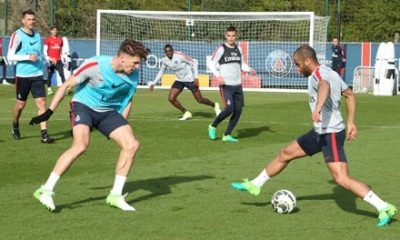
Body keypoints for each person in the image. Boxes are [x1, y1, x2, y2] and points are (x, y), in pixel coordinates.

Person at [231, 45, 397, 227]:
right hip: (320, 131)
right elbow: (349, 94)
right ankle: (255, 184)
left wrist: (318, 107)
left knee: (341, 178)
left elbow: (324, 86)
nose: (297, 68)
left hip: (331, 134)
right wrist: (351, 122)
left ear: (308, 61)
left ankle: (384, 207)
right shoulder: (331, 72)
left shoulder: (319, 75)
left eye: (298, 64)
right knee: (285, 153)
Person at [30, 39, 149, 212]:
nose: (138, 67)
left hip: (108, 112)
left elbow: (127, 99)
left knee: (131, 145)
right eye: (136, 62)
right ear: (123, 58)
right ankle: (46, 190)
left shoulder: (133, 75)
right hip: (83, 106)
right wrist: (49, 112)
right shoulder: (95, 65)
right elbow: (67, 85)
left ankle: (115, 195)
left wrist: (123, 123)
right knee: (80, 145)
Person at [7, 9, 54, 143]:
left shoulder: (38, 35)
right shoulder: (17, 35)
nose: (31, 21)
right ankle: (15, 124)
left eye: (33, 19)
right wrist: (27, 57)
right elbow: (10, 55)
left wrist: (49, 58)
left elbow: (39, 54)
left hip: (38, 74)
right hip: (23, 76)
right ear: (23, 20)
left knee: (41, 103)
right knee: (21, 105)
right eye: (29, 19)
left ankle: (44, 135)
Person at [207, 26, 256, 142]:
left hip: (238, 85)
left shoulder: (239, 49)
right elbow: (211, 64)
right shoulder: (221, 49)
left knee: (238, 111)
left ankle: (227, 134)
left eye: (233, 36)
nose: (231, 38)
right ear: (226, 36)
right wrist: (218, 76)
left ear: (236, 36)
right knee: (229, 108)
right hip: (226, 86)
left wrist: (249, 69)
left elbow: (242, 64)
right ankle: (213, 125)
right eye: (229, 36)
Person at [149, 44, 221, 120]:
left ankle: (215, 105)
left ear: (173, 51)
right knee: (171, 98)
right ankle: (186, 112)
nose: (168, 53)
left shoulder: (180, 56)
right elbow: (161, 71)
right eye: (166, 52)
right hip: (179, 80)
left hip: (190, 80)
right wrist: (154, 83)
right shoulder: (165, 60)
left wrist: (196, 78)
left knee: (200, 100)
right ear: (165, 53)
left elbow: (194, 62)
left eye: (170, 51)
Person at [44, 25, 66, 95]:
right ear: (51, 31)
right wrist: (48, 58)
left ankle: (64, 90)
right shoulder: (48, 39)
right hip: (51, 60)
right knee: (50, 75)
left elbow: (61, 50)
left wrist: (63, 57)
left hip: (58, 60)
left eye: (56, 30)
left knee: (62, 74)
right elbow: (45, 51)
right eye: (53, 30)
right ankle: (49, 89)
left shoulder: (60, 39)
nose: (55, 31)